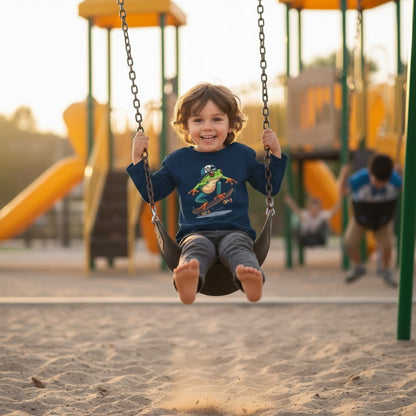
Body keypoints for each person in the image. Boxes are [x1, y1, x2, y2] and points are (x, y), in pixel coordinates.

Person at [127, 83, 287, 304]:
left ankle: (248, 276)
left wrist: (276, 153)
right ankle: (189, 280)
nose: (207, 127)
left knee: (237, 248)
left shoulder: (242, 156)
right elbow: (152, 192)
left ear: (231, 124)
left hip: (235, 230)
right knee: (195, 250)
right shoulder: (177, 161)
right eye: (198, 120)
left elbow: (269, 186)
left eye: (217, 119)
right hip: (195, 232)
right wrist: (138, 159)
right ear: (186, 126)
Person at [339, 153, 402, 287]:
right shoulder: (360, 179)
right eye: (376, 181)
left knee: (388, 245)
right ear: (370, 173)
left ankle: (385, 270)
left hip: (382, 219)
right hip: (361, 218)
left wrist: (401, 173)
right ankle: (358, 267)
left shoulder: (394, 178)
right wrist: (343, 174)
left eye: (383, 183)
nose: (379, 186)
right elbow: (342, 191)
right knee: (349, 243)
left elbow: (405, 188)